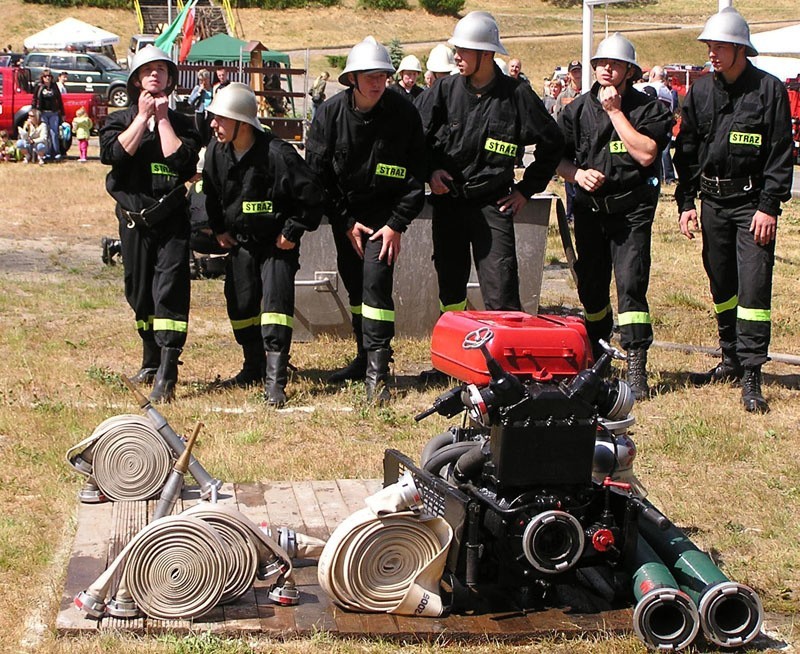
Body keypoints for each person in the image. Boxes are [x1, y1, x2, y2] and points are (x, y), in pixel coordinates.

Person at [674, 7, 793, 414]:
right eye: (709, 46)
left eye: (720, 46)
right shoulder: (701, 91)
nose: (712, 53)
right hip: (713, 205)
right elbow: (686, 151)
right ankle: (729, 357)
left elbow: (781, 153)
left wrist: (768, 206)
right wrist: (686, 202)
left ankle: (752, 373)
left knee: (754, 289)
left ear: (741, 49)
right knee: (721, 283)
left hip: (752, 206)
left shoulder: (769, 90)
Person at [416, 12, 563, 320]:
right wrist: (430, 171)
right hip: (450, 204)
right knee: (451, 288)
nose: (456, 57)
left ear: (486, 53)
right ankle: (450, 361)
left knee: (502, 288)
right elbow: (414, 138)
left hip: (493, 205)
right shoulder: (444, 92)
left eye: (463, 50)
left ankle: (504, 365)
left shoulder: (517, 95)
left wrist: (525, 190)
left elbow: (553, 144)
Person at [306, 37, 426, 403]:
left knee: (375, 288)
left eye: (383, 76)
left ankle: (379, 369)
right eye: (370, 76)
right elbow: (318, 174)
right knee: (357, 289)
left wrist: (397, 225)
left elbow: (416, 174)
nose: (378, 83)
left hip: (386, 219)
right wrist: (343, 221)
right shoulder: (329, 115)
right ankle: (362, 357)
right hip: (348, 216)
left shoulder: (404, 114)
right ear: (352, 79)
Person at [556, 33, 673, 400]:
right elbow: (555, 158)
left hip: (632, 212)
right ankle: (599, 351)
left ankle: (636, 365)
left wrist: (615, 112)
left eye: (615, 64)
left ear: (629, 71)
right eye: (601, 64)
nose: (606, 69)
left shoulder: (647, 108)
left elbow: (646, 154)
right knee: (591, 286)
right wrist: (576, 175)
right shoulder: (574, 111)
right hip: (592, 211)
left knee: (631, 284)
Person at [204, 83, 324, 406]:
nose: (213, 125)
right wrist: (218, 229)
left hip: (276, 246)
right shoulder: (217, 152)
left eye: (221, 119)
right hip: (241, 243)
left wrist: (292, 230)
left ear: (243, 124)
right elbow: (211, 194)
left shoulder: (277, 155)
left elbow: (313, 197)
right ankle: (252, 366)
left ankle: (275, 380)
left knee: (275, 307)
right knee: (241, 305)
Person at [99, 46, 201, 403]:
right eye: (148, 70)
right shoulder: (119, 119)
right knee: (139, 292)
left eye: (162, 70)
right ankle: (150, 359)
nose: (155, 75)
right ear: (136, 79)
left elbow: (185, 164)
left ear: (171, 79)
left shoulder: (185, 122)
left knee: (170, 292)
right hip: (133, 223)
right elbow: (112, 154)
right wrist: (141, 119)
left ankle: (168, 370)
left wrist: (162, 121)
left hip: (171, 223)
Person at [31, 69, 64, 161]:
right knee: (45, 133)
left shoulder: (54, 87)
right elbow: (34, 99)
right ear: (42, 78)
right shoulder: (39, 86)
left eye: (49, 76)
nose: (47, 78)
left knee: (54, 133)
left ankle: (56, 153)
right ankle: (47, 152)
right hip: (43, 113)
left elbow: (59, 100)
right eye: (45, 76)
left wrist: (62, 113)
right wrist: (33, 111)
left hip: (53, 112)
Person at [188, 68, 213, 143]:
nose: (203, 82)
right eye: (201, 80)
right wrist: (198, 93)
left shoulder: (213, 89)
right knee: (200, 131)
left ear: (208, 79)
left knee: (209, 131)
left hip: (210, 112)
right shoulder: (197, 88)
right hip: (200, 111)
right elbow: (190, 101)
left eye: (205, 80)